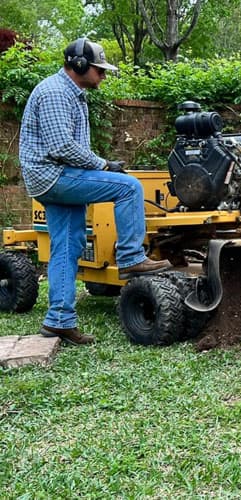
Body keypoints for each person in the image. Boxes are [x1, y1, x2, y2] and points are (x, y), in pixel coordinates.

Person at [18, 37, 172, 345]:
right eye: (98, 70)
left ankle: (59, 320)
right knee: (129, 187)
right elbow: (60, 146)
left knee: (67, 245)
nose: (102, 75)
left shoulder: (72, 94)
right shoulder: (55, 93)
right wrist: (103, 165)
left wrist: (96, 165)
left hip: (54, 176)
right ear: (79, 66)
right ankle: (130, 257)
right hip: (54, 175)